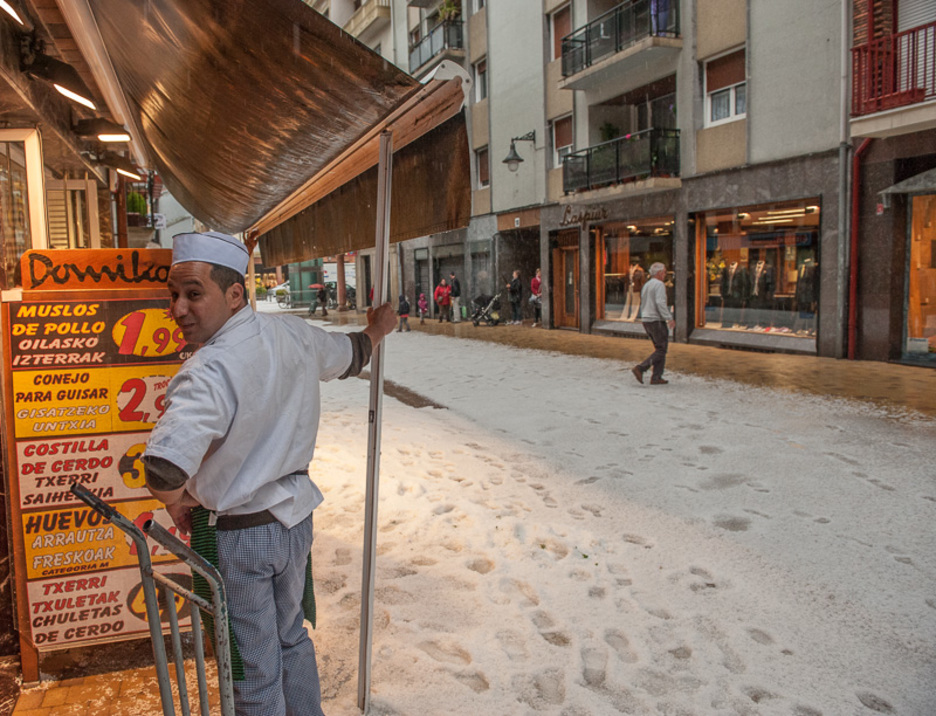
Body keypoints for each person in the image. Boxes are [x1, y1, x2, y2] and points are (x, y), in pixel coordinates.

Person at [142, 231, 396, 716]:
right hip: (295, 525)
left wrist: (176, 501)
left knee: (253, 671)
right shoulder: (293, 334)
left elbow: (163, 466)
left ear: (235, 294)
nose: (178, 308)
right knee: (291, 640)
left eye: (194, 293)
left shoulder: (208, 370)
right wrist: (379, 327)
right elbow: (353, 353)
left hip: (240, 539)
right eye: (173, 295)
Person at [631, 262, 675, 385]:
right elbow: (660, 303)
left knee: (659, 348)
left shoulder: (647, 285)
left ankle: (656, 376)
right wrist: (668, 317)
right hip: (656, 320)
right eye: (665, 272)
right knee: (661, 349)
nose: (665, 274)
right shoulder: (659, 285)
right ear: (660, 273)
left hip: (647, 319)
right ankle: (641, 368)